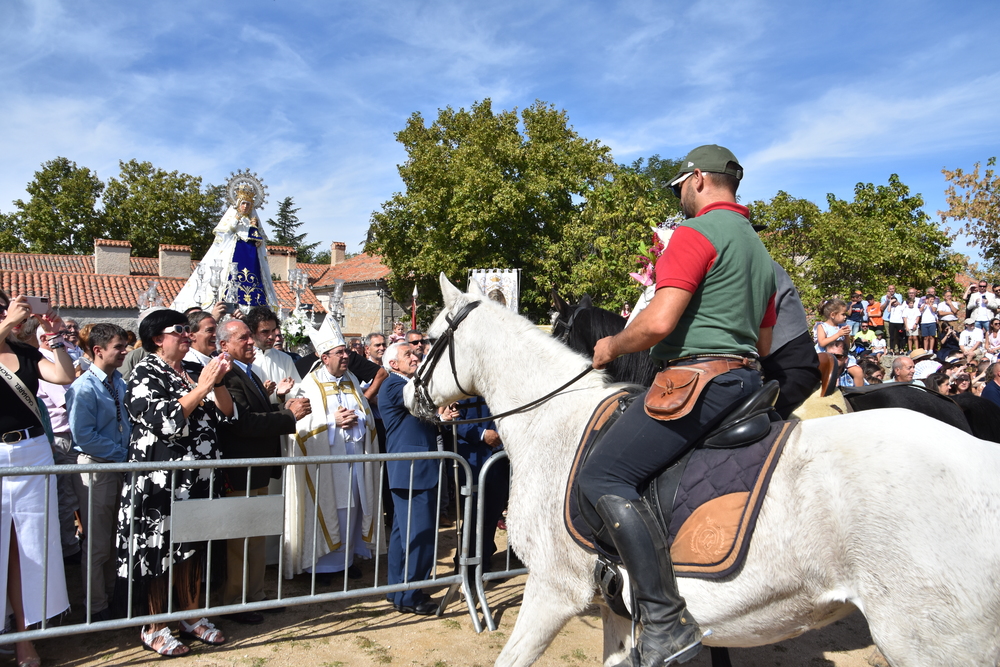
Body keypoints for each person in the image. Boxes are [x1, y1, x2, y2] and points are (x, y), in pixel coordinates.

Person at [582, 145, 776, 666]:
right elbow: (763, 341)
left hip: (696, 383)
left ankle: (665, 621)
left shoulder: (695, 234)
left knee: (602, 477)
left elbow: (659, 323)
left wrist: (613, 346)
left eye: (678, 189)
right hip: (743, 382)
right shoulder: (761, 253)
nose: (679, 199)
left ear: (697, 180)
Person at [113, 309, 234, 657]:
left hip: (196, 481)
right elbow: (165, 420)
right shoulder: (143, 374)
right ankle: (155, 625)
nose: (186, 334)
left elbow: (227, 415)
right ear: (157, 338)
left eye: (187, 329)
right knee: (157, 554)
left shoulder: (195, 371)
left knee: (191, 551)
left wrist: (218, 383)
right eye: (178, 329)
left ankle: (191, 616)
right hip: (159, 484)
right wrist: (203, 388)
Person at [216, 320, 309, 623]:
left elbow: (259, 413)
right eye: (242, 338)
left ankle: (254, 595)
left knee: (254, 538)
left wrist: (283, 405)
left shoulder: (250, 372)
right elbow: (243, 423)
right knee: (240, 541)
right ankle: (234, 601)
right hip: (241, 468)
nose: (251, 343)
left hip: (257, 468)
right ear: (224, 346)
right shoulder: (228, 377)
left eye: (249, 338)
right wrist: (287, 416)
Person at [0, 291, 74, 667]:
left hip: (31, 451)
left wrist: (56, 335)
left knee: (28, 547)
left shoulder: (25, 353)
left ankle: (25, 638)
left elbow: (64, 374)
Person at [285, 316, 378, 582]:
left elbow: (367, 416)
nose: (345, 356)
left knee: (353, 508)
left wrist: (358, 419)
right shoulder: (310, 384)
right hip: (325, 462)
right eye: (339, 352)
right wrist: (331, 422)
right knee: (329, 508)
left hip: (354, 459)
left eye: (346, 351)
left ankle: (346, 561)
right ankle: (320, 567)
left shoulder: (351, 381)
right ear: (324, 357)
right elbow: (299, 427)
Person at [65, 323, 131, 622]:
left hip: (117, 466)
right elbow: (84, 435)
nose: (124, 351)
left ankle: (111, 596)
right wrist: (124, 455)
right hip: (97, 468)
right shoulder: (83, 387)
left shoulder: (118, 382)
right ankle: (96, 605)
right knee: (97, 541)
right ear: (98, 350)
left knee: (115, 538)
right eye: (119, 346)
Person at [378, 342, 443, 615]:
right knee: (419, 534)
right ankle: (411, 595)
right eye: (408, 354)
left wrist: (442, 416)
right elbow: (419, 398)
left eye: (415, 353)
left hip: (415, 470)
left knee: (403, 534)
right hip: (412, 470)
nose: (415, 357)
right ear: (393, 364)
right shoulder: (394, 385)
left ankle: (398, 590)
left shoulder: (403, 384)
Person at [171, 176, 280, 312]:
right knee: (229, 280)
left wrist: (256, 233)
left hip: (251, 256)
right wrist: (236, 219)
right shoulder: (232, 217)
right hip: (234, 253)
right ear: (238, 204)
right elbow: (224, 233)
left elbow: (260, 240)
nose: (245, 206)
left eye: (248, 204)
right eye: (243, 203)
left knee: (254, 282)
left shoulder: (253, 221)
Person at [35, 326, 82, 564]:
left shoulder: (59, 359)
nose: (64, 337)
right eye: (59, 334)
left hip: (69, 434)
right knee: (66, 495)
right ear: (45, 339)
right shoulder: (45, 363)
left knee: (71, 494)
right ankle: (68, 548)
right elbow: (67, 402)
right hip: (60, 437)